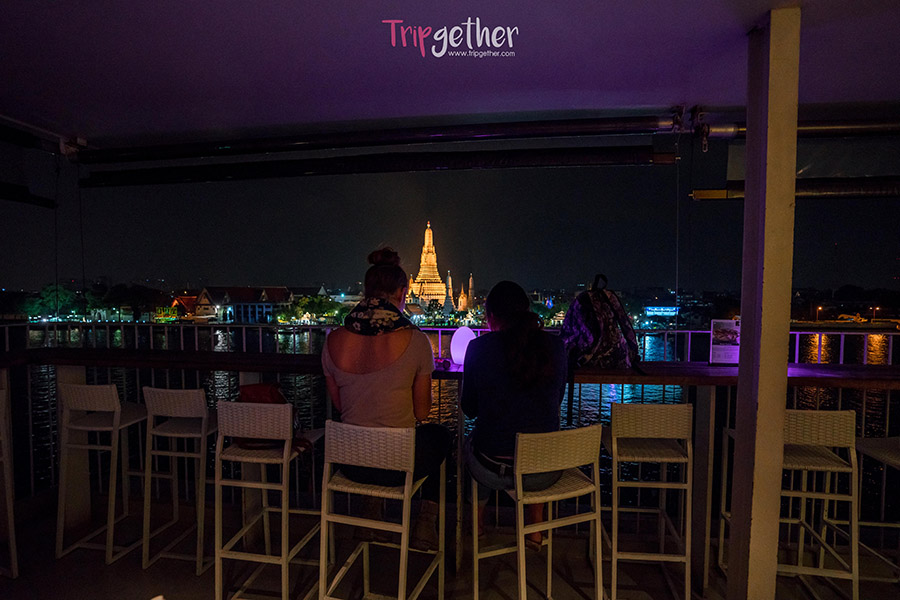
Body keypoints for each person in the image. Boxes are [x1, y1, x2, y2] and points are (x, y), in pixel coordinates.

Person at [321, 247, 451, 550]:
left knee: (368, 431)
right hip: (397, 464)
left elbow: (341, 406)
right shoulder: (416, 340)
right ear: (403, 293)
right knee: (440, 435)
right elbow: (422, 412)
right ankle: (425, 523)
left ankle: (370, 515)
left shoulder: (333, 340)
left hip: (350, 463)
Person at [461, 280, 567, 549]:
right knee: (536, 438)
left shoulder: (479, 348)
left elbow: (469, 409)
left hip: (491, 469)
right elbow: (556, 401)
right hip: (543, 471)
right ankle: (535, 529)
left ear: (491, 316)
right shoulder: (556, 347)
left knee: (473, 444)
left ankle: (477, 526)